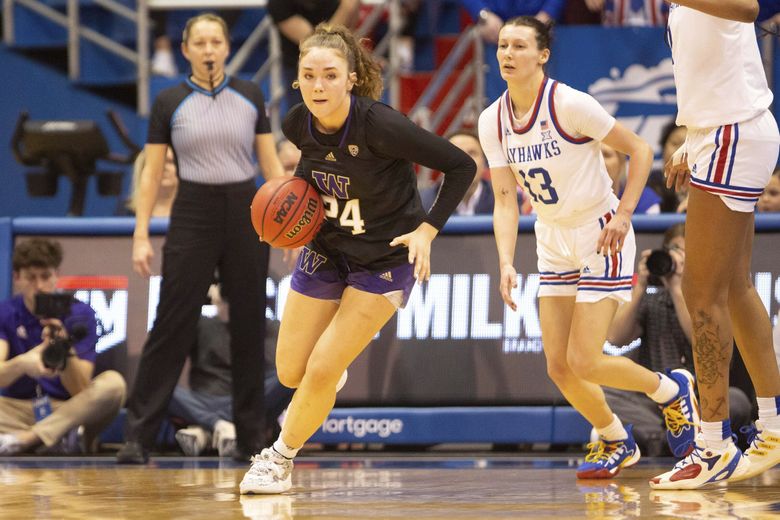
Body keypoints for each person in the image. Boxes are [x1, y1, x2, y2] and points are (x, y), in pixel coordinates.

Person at [238, 23, 476, 494]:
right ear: (297, 80)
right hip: (326, 249)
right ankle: (328, 375)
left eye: (329, 75)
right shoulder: (294, 123)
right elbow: (310, 172)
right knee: (291, 371)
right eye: (309, 76)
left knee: (321, 369)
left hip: (385, 258)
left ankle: (278, 460)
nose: (318, 85)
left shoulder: (381, 125)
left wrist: (428, 229)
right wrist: (299, 224)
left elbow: (461, 165)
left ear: (350, 78)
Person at [478, 16, 699, 480]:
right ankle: (616, 437)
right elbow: (503, 199)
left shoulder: (567, 103)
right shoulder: (491, 120)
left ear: (542, 55)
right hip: (551, 235)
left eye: (519, 45)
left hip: (601, 230)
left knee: (584, 358)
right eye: (502, 45)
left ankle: (670, 390)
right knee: (559, 367)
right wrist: (504, 260)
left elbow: (639, 149)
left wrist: (623, 216)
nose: (507, 53)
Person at [116, 13, 286, 465]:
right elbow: (152, 172)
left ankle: (252, 437)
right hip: (192, 209)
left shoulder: (251, 94)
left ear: (227, 48)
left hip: (245, 209)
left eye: (216, 41)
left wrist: (289, 228)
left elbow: (271, 167)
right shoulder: (168, 100)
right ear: (186, 49)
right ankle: (139, 436)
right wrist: (140, 234)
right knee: (172, 322)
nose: (209, 49)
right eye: (200, 42)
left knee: (250, 323)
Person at [650, 0, 780, 490]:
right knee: (733, 288)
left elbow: (748, 8)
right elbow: (720, 67)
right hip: (720, 131)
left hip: (733, 133)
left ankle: (712, 445)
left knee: (702, 296)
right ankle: (772, 423)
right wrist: (691, 139)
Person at [605, 223, 752, 456]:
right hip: (654, 402)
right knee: (604, 391)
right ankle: (669, 438)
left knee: (737, 401)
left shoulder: (714, 300)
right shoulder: (652, 300)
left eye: (687, 251)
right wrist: (641, 285)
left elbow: (702, 342)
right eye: (674, 249)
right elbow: (615, 337)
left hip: (703, 401)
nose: (679, 257)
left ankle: (663, 439)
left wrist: (677, 287)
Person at [0, 238, 126, 454]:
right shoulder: (6, 312)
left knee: (114, 385)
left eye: (45, 277)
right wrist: (23, 364)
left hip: (67, 410)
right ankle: (54, 440)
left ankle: (30, 439)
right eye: (31, 278)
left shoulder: (80, 314)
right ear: (17, 278)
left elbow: (79, 389)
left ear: (57, 275)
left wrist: (64, 347)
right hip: (16, 411)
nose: (39, 286)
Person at [170, 282, 294, 457]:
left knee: (290, 376)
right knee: (157, 387)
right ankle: (220, 425)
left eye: (222, 302)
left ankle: (205, 431)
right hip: (204, 400)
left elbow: (275, 373)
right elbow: (166, 354)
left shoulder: (268, 327)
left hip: (248, 401)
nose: (217, 305)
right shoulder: (201, 325)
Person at [267, 0, 360, 113]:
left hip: (341, 64)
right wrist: (346, 8)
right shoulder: (279, 3)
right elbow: (317, 45)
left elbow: (351, 29)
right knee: (308, 119)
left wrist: (350, 9)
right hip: (302, 70)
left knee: (350, 119)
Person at [601, 143, 661, 214]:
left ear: (621, 162)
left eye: (606, 155)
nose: (600, 161)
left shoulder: (645, 199)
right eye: (594, 156)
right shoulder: (585, 199)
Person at [125, 147, 178, 217]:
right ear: (142, 169)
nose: (164, 167)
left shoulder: (193, 210)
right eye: (157, 162)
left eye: (170, 162)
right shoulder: (126, 212)